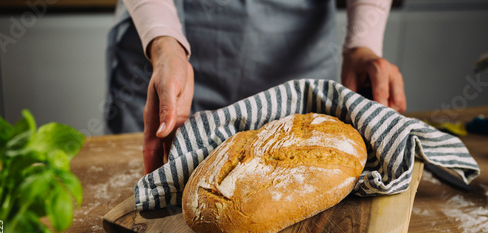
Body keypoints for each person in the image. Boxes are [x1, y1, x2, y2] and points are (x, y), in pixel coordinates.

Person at [105, 0, 406, 175]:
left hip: (298, 47)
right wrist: (163, 42)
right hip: (164, 40)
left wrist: (362, 44)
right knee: (142, 187)